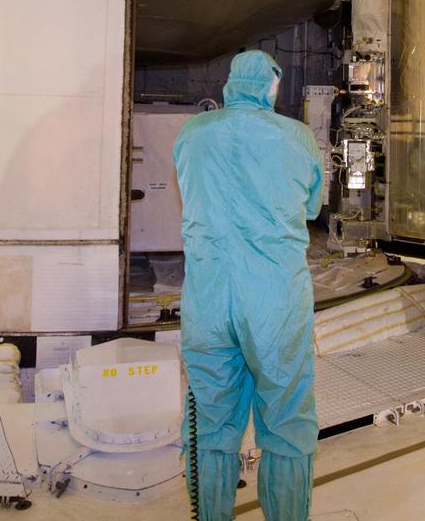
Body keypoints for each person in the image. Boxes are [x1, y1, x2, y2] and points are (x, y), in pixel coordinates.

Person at [173, 50, 324, 521]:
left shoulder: (192, 134)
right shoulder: (296, 137)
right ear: (270, 85)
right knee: (286, 421)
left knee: (210, 422)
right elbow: (313, 208)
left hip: (208, 299)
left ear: (231, 83)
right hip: (274, 302)